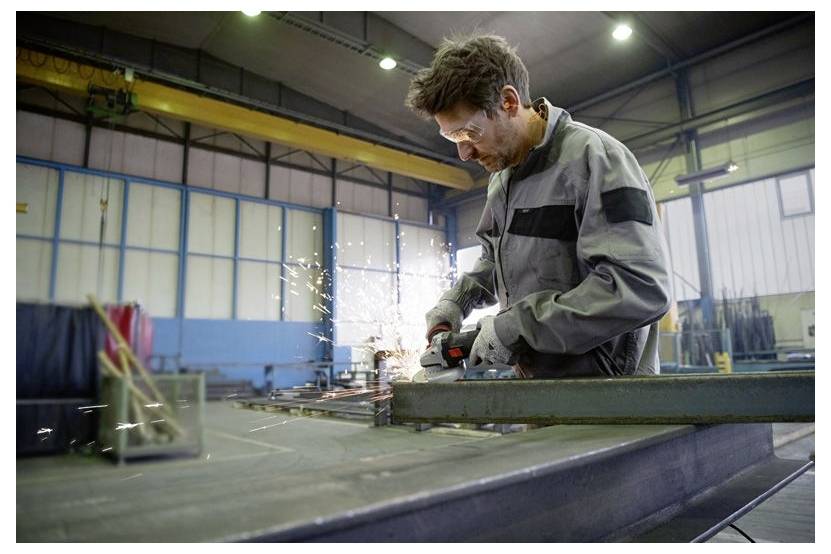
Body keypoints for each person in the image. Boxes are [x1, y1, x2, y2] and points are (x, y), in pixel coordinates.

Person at [405, 34, 672, 378]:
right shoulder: (502, 180)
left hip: (610, 398)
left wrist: (514, 328)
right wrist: (457, 302)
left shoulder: (595, 158)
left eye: (469, 133)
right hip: (537, 391)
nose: (465, 153)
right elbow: (497, 261)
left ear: (509, 102)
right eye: (453, 138)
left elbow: (639, 288)